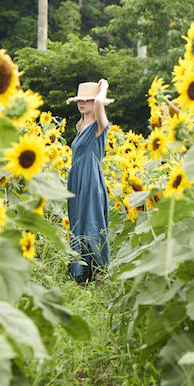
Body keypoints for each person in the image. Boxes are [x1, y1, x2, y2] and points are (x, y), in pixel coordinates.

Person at [65, 79, 112, 286]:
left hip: (91, 179)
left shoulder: (99, 126)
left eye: (87, 100)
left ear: (96, 101)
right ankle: (81, 275)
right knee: (78, 223)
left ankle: (100, 274)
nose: (82, 103)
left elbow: (100, 105)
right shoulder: (80, 125)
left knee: (93, 222)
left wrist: (103, 89)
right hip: (76, 179)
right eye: (80, 100)